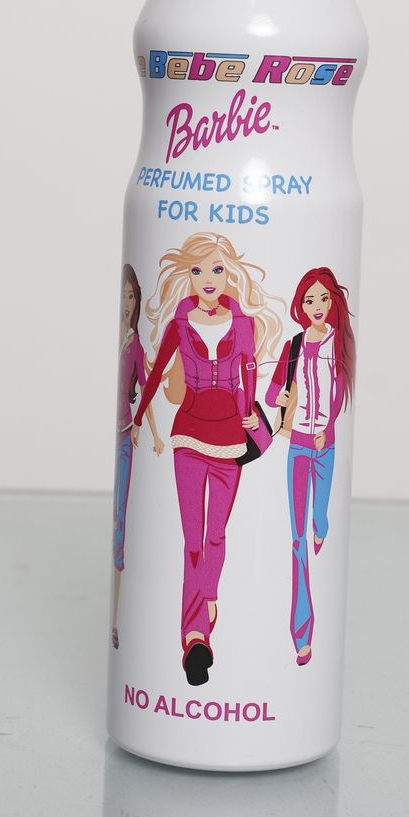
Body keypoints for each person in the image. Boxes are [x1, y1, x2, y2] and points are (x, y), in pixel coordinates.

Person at [132, 233, 282, 685]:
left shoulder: (243, 325)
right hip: (188, 436)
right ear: (189, 276)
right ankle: (195, 637)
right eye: (198, 270)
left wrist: (250, 416)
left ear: (228, 273)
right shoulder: (180, 324)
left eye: (217, 269)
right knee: (192, 540)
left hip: (230, 440)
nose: (208, 278)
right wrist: (137, 418)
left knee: (216, 535)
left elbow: (249, 373)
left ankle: (208, 593)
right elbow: (157, 373)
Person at [266, 268, 355, 665]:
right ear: (300, 306)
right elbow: (273, 392)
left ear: (332, 301)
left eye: (323, 299)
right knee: (297, 538)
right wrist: (282, 397)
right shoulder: (295, 345)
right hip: (299, 447)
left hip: (326, 446)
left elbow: (337, 395)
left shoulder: (340, 343)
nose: (316, 306)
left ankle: (323, 522)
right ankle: (302, 632)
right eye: (309, 300)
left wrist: (327, 428)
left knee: (319, 517)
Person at [111, 264, 162, 650]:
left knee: (122, 528)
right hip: (119, 434)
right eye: (124, 295)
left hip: (127, 436)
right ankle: (118, 622)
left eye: (132, 296)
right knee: (118, 523)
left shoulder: (136, 345)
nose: (127, 302)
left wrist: (153, 432)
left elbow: (147, 390)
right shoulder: (122, 341)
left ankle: (117, 622)